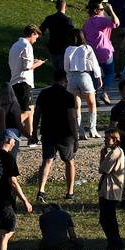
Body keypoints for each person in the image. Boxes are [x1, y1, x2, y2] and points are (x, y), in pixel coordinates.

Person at [34, 67, 80, 200]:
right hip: (65, 134)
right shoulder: (68, 96)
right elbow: (72, 118)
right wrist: (76, 137)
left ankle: (41, 190)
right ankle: (70, 192)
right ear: (65, 80)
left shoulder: (44, 93)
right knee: (69, 161)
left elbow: (37, 114)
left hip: (48, 132)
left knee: (47, 161)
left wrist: (33, 132)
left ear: (53, 80)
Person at [97, 127, 125, 250]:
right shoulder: (113, 151)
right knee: (106, 219)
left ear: (115, 140)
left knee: (108, 219)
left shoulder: (115, 152)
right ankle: (113, 243)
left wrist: (102, 156)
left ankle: (115, 244)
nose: (105, 140)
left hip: (111, 190)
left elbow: (103, 169)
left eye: (107, 138)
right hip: (107, 189)